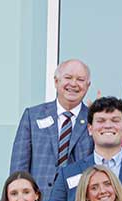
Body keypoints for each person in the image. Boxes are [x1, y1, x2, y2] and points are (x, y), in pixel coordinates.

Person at [14, 59, 92, 189]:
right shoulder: (33, 116)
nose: (73, 83)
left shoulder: (94, 119)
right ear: (56, 81)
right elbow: (19, 167)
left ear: (88, 86)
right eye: (68, 77)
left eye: (80, 79)